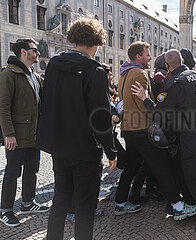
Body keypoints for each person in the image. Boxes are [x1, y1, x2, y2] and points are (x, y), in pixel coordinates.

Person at [37, 18, 118, 240]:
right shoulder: (95, 71)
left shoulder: (53, 65)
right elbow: (100, 117)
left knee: (60, 199)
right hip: (84, 148)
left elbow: (47, 103)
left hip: (59, 145)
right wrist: (111, 151)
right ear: (98, 41)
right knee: (84, 206)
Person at [131, 49, 196, 238]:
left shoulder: (176, 83)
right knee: (191, 175)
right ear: (182, 60)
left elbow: (161, 114)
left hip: (190, 137)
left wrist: (145, 99)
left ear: (167, 65)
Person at [115, 41, 196, 221]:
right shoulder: (139, 73)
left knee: (131, 167)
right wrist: (157, 114)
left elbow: (123, 102)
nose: (150, 58)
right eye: (147, 54)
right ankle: (178, 207)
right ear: (138, 57)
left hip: (128, 129)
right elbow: (143, 103)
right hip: (142, 128)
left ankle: (120, 203)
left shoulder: (124, 73)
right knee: (162, 168)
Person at [0, 38, 49, 227]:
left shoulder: (34, 75)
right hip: (16, 135)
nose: (37, 53)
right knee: (12, 172)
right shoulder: (9, 74)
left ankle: (28, 202)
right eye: (34, 50)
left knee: (32, 169)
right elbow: (3, 107)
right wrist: (8, 134)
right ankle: (5, 210)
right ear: (23, 52)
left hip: (33, 134)